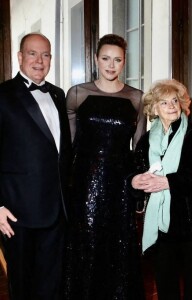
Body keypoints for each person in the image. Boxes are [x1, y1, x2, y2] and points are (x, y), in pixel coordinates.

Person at [63, 33, 146, 299]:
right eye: (106, 58)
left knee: (118, 250)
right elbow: (68, 147)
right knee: (86, 247)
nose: (111, 65)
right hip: (85, 184)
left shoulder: (136, 97)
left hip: (121, 186)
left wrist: (139, 193)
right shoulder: (77, 93)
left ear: (124, 62)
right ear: (96, 59)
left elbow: (139, 148)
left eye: (117, 60)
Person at [0, 33, 71, 300]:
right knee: (24, 287)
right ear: (20, 57)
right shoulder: (3, 94)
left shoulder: (58, 94)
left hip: (58, 212)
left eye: (46, 54)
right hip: (18, 214)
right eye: (33, 53)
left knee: (52, 286)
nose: (40, 61)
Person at [131, 79, 192, 300]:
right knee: (165, 287)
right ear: (154, 108)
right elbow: (136, 173)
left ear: (182, 104)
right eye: (164, 102)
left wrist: (168, 182)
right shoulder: (147, 140)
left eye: (175, 100)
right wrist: (136, 181)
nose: (171, 106)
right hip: (160, 227)